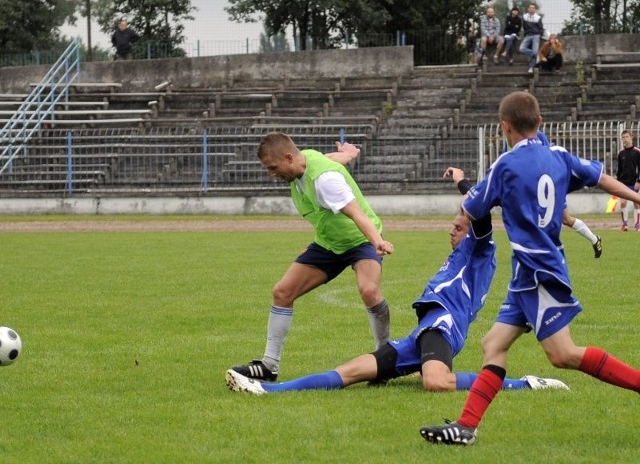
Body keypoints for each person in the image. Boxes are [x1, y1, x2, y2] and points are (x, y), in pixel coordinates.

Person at [225, 167, 569, 395]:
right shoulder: (461, 253)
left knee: (436, 382)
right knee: (353, 371)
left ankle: (524, 384)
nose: (452, 229)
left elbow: (477, 208)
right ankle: (270, 390)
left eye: (458, 227)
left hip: (443, 327)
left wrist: (463, 184)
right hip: (424, 331)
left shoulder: (481, 248)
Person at [420, 91, 640, 446]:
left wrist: (468, 195)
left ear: (504, 126)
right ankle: (466, 427)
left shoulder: (504, 165)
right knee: (493, 344)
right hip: (528, 273)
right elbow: (601, 178)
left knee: (563, 355)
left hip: (538, 271)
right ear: (540, 122)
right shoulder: (559, 156)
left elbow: (473, 207)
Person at [230, 133, 394, 382]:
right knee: (282, 292)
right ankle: (269, 365)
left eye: (273, 168)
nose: (272, 174)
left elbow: (358, 215)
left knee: (369, 291)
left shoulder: (326, 181)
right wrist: (348, 154)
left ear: (288, 158)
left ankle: (385, 360)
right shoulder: (304, 160)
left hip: (361, 239)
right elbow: (330, 158)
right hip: (328, 244)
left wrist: (377, 241)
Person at [615, 129, 640, 231]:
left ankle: (637, 225)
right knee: (623, 203)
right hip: (623, 182)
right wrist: (617, 181)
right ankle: (625, 224)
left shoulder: (637, 152)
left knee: (636, 203)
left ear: (631, 137)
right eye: (623, 137)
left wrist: (639, 181)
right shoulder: (621, 153)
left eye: (627, 137)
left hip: (635, 182)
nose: (625, 139)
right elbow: (619, 169)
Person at [519, 3, 544, 74]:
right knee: (521, 48)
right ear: (528, 9)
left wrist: (540, 34)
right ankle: (537, 55)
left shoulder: (538, 17)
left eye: (533, 8)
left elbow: (541, 28)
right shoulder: (524, 17)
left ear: (535, 9)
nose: (531, 9)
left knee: (534, 49)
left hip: (536, 35)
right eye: (530, 8)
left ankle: (531, 67)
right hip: (528, 35)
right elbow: (524, 27)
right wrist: (526, 33)